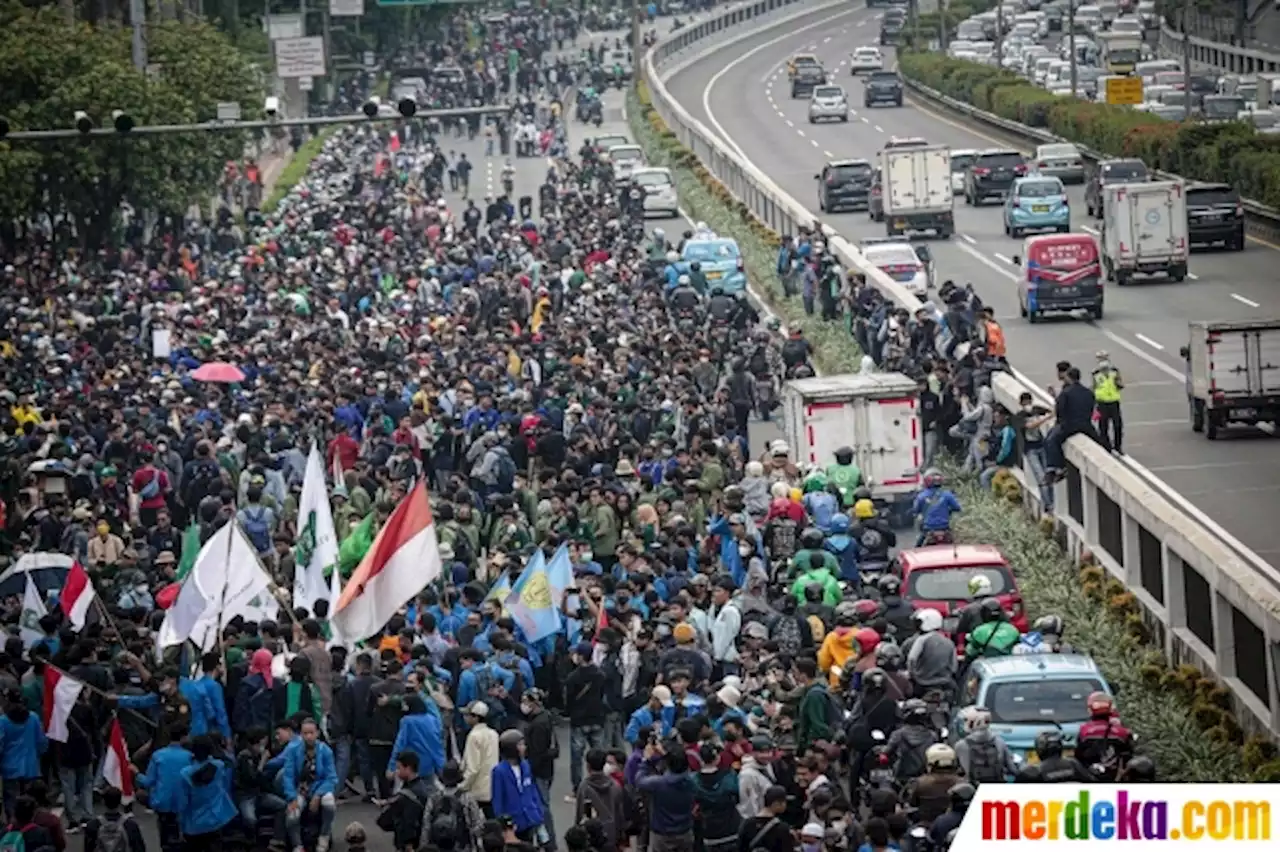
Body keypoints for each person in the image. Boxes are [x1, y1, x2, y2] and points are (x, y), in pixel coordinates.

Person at [282, 718, 338, 852]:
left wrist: (318, 795)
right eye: (305, 733)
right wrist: (291, 797)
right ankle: (298, 845)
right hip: (300, 790)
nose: (308, 736)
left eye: (311, 733)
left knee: (329, 803)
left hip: (320, 789)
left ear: (317, 733)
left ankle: (324, 837)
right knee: (292, 816)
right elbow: (288, 776)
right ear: (301, 734)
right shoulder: (293, 750)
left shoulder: (326, 751)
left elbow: (331, 778)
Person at [178, 735, 238, 852]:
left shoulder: (185, 773)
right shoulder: (219, 766)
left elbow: (183, 803)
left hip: (193, 824)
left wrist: (180, 826)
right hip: (215, 820)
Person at [636, 739, 697, 852]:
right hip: (685, 831)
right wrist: (667, 755)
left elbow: (639, 780)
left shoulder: (658, 784)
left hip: (662, 835)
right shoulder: (693, 781)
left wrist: (646, 760)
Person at [491, 730, 546, 844]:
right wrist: (502, 823)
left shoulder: (526, 765)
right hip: (513, 822)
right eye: (520, 745)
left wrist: (539, 812)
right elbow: (498, 800)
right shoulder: (499, 771)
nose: (524, 747)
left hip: (530, 818)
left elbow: (532, 790)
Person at [376, 750, 433, 852]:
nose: (396, 772)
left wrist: (408, 844)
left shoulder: (408, 796)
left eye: (399, 768)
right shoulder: (422, 788)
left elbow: (409, 822)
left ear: (408, 768)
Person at [1074, 691, 1135, 780]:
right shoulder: (1121, 732)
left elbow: (1078, 756)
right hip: (1116, 778)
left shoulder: (1084, 731)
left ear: (1090, 709)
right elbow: (1129, 754)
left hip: (1090, 778)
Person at [574, 748, 626, 851]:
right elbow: (620, 814)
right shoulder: (615, 786)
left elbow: (580, 814)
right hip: (611, 836)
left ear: (588, 766)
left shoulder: (584, 787)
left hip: (591, 838)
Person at [953, 707, 1017, 784]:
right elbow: (1013, 768)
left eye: (966, 720)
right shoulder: (999, 742)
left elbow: (956, 770)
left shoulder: (961, 745)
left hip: (971, 790)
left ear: (973, 722)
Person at [461, 701, 500, 816]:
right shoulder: (493, 734)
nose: (465, 717)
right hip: (491, 787)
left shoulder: (474, 736)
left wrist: (462, 786)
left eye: (467, 715)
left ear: (475, 717)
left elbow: (473, 768)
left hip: (477, 790)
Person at [83, 786, 147, 852]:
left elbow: (88, 849)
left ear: (103, 802)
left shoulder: (92, 825)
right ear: (120, 802)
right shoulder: (131, 826)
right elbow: (139, 849)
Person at [736, 786, 793, 852]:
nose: (786, 805)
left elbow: (740, 848)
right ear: (776, 804)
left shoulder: (747, 824)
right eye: (784, 802)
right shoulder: (782, 828)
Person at [1092, 350, 1124, 454]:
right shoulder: (1096, 374)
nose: (1103, 361)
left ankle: (1118, 446)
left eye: (1105, 358)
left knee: (1118, 425)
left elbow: (1120, 384)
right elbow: (1094, 388)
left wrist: (1118, 383)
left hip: (1114, 402)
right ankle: (1106, 447)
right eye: (1101, 359)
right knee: (1103, 427)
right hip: (1102, 403)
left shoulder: (1114, 372)